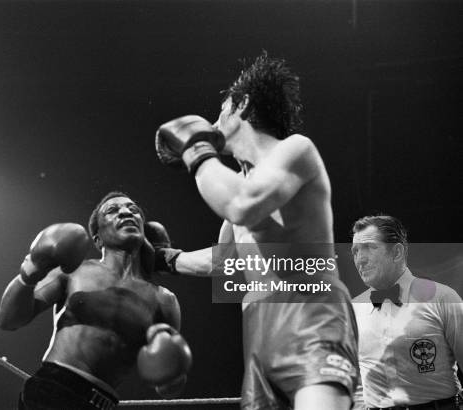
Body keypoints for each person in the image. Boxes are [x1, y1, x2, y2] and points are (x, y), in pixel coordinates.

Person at [153, 51, 359, 410]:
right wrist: (166, 259)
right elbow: (225, 263)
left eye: (221, 110)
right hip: (258, 326)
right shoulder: (243, 182)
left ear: (243, 104)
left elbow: (243, 206)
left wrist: (197, 152)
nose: (214, 122)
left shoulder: (295, 150)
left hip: (309, 309)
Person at [0, 192, 192, 410]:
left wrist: (173, 372)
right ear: (98, 238)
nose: (126, 212)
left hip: (104, 404)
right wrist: (30, 270)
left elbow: (168, 390)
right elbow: (8, 320)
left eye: (133, 209)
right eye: (112, 211)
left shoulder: (164, 300)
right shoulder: (74, 271)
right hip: (53, 391)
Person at [350, 215, 463, 410]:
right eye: (355, 251)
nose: (360, 259)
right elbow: (356, 382)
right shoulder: (352, 308)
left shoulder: (443, 297)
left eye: (369, 247)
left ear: (397, 252)